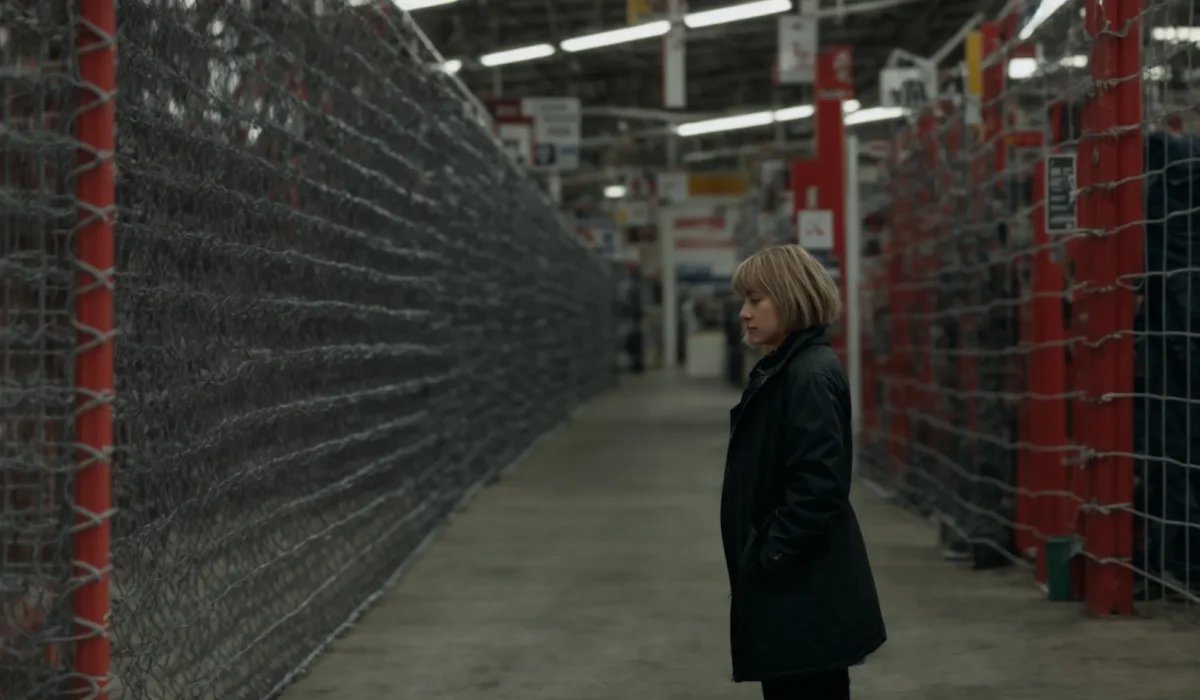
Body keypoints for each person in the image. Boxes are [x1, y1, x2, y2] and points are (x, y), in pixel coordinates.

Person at [721, 244, 886, 700]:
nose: (743, 313)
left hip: (801, 589)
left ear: (790, 297)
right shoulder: (788, 368)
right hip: (794, 586)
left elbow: (819, 486)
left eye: (756, 300)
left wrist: (772, 556)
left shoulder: (808, 375)